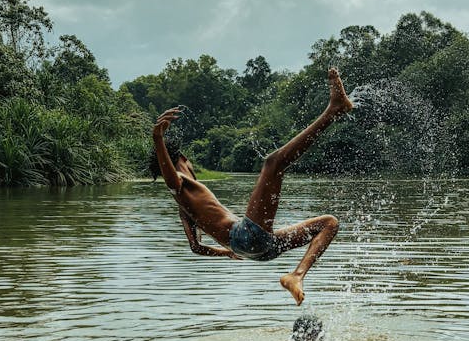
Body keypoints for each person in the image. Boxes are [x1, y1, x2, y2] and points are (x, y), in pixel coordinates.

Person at [151, 68, 353, 305]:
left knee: (328, 224)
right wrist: (158, 140)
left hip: (258, 250)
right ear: (183, 159)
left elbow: (196, 247)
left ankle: (296, 276)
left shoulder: (184, 206)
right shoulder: (180, 182)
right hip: (247, 237)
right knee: (273, 163)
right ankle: (334, 110)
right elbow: (170, 180)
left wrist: (227, 252)